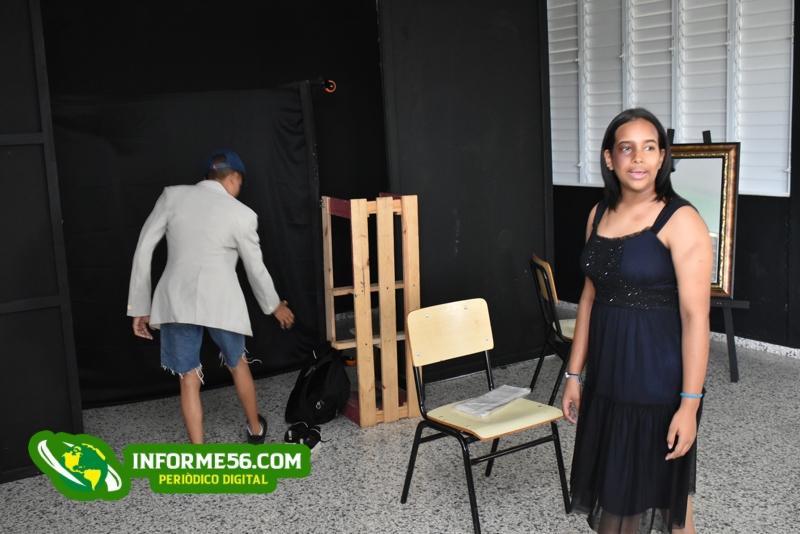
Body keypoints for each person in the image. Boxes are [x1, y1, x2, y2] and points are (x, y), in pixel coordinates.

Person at [561, 108, 712, 534]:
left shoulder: (681, 220)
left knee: (663, 503)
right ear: (610, 158)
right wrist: (573, 374)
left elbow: (695, 317)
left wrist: (689, 404)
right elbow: (588, 298)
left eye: (649, 147)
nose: (639, 158)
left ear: (662, 157)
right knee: (626, 491)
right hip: (608, 380)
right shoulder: (598, 214)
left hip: (656, 384)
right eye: (627, 148)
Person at [127, 150, 295, 445]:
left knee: (188, 378)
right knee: (237, 363)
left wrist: (139, 306)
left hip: (176, 301)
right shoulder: (242, 214)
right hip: (221, 302)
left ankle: (199, 454)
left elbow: (143, 248)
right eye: (239, 183)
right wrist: (274, 306)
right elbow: (255, 268)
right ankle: (256, 430)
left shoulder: (172, 196)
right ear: (234, 177)